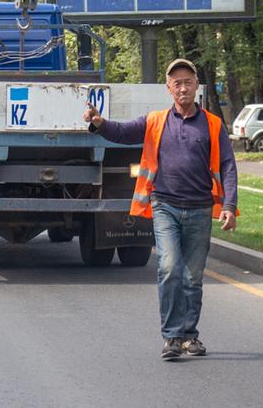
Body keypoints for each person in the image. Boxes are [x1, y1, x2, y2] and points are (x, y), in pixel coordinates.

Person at [83, 58, 238, 360]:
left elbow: (229, 166)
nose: (182, 87)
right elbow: (123, 132)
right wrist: (99, 124)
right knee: (168, 268)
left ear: (196, 86)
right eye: (176, 83)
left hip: (199, 208)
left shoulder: (213, 124)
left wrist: (229, 205)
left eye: (188, 82)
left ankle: (190, 336)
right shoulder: (155, 121)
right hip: (164, 205)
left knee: (192, 276)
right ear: (168, 89)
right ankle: (171, 337)